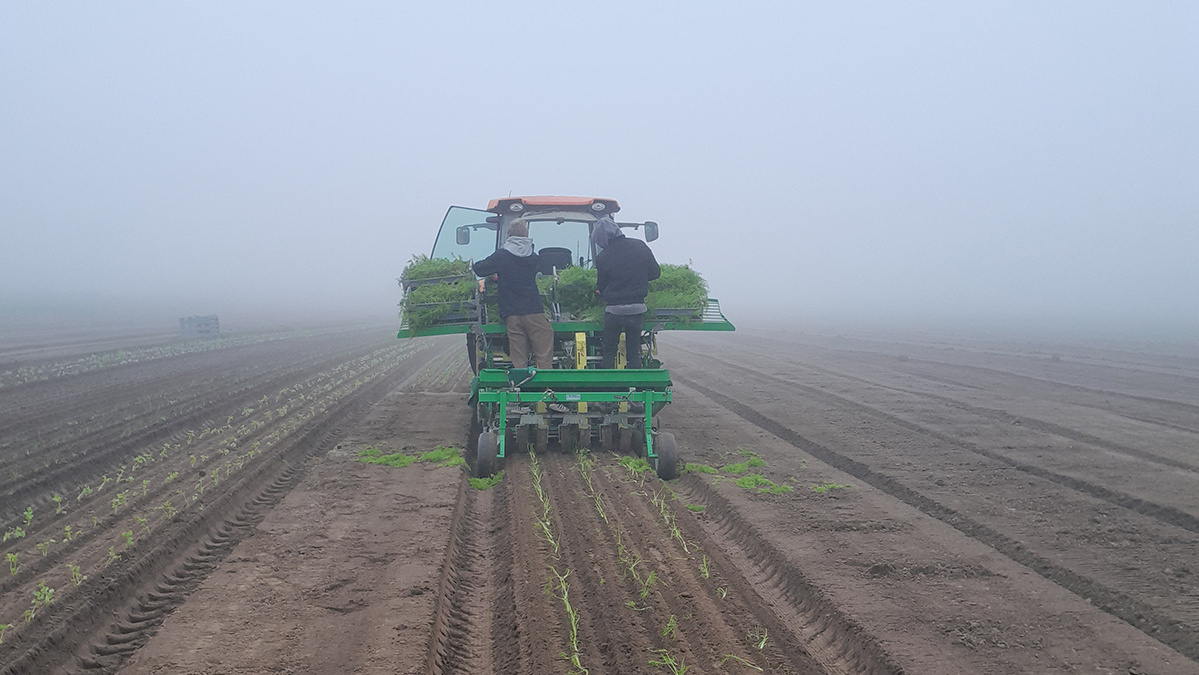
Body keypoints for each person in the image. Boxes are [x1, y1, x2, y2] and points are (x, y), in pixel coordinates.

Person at [472, 220, 554, 369]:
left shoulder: (502, 255)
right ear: (526, 235)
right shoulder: (533, 257)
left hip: (511, 313)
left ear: (509, 235)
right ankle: (545, 381)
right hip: (533, 310)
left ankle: (521, 384)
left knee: (518, 353)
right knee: (544, 341)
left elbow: (480, 269)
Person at [592, 216, 660, 369]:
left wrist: (599, 292)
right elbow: (655, 273)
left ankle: (607, 386)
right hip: (636, 310)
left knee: (609, 351)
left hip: (614, 311)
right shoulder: (640, 246)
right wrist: (639, 277)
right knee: (634, 350)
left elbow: (601, 286)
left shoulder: (603, 257)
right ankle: (635, 383)